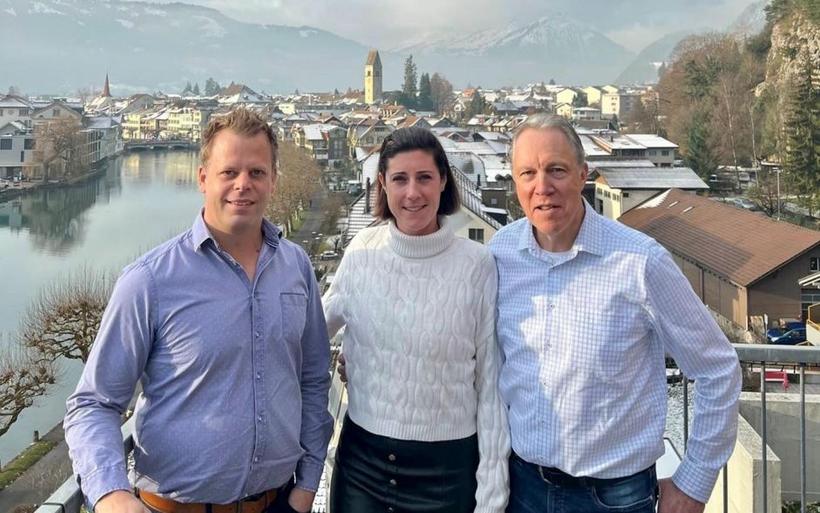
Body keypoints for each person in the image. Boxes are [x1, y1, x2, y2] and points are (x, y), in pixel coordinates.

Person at [64, 109, 333, 513]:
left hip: (279, 503)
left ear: (274, 181)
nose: (243, 184)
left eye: (257, 172)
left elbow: (313, 378)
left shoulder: (296, 267)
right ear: (203, 178)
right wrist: (109, 493)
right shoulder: (150, 280)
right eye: (229, 172)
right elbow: (94, 403)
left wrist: (308, 483)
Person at [489, 113, 741, 513]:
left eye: (556, 170)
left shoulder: (640, 262)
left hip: (614, 498)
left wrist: (694, 483)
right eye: (527, 173)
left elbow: (718, 369)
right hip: (522, 489)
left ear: (583, 174)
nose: (542, 187)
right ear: (515, 182)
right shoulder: (499, 254)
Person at [323, 126, 510, 513]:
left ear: (443, 181)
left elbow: (490, 386)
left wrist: (492, 496)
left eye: (424, 177)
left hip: (446, 474)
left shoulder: (476, 265)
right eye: (400, 179)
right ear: (382, 184)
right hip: (362, 466)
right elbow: (306, 337)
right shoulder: (362, 252)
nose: (412, 193)